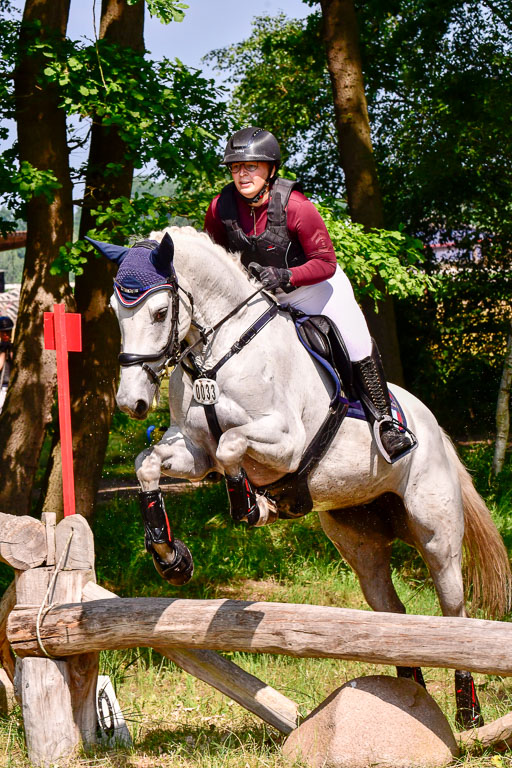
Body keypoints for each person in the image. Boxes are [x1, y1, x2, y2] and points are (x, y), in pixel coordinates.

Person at [204, 127, 413, 466]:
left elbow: (326, 263)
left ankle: (386, 422)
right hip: (264, 296)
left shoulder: (297, 207)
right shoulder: (220, 208)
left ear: (271, 169)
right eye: (236, 168)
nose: (242, 174)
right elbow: (212, 253)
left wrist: (286, 275)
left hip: (315, 289)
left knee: (356, 342)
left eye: (251, 167)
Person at [0, 316, 14, 413]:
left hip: (11, 386)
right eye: (3, 332)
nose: (6, 334)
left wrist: (10, 349)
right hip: (2, 387)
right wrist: (3, 351)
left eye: (8, 332)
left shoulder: (14, 347)